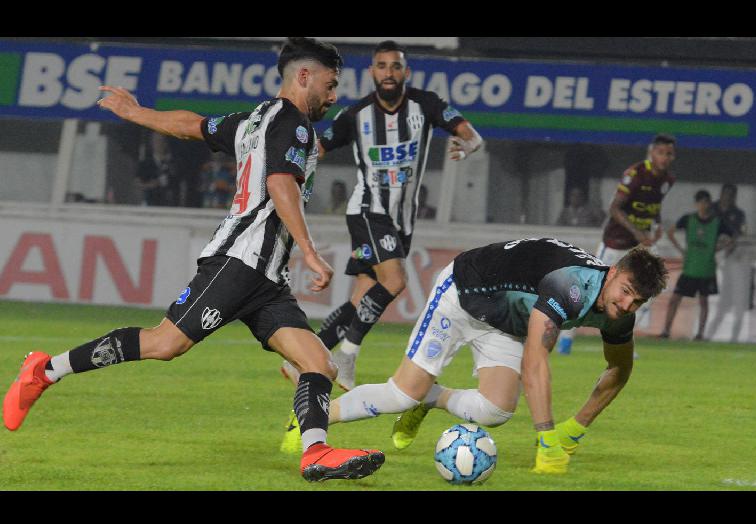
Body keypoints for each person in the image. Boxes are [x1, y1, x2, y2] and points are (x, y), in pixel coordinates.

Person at [2, 37, 384, 483]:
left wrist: (135, 112)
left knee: (319, 363)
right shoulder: (293, 124)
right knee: (165, 344)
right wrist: (313, 253)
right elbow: (281, 184)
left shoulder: (253, 120)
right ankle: (45, 370)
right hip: (238, 262)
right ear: (304, 76)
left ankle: (316, 453)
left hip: (266, 278)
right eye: (331, 84)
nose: (334, 96)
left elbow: (194, 126)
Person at [281, 237, 668, 475]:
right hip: (463, 294)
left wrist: (575, 429)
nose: (627, 304)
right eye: (626, 290)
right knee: (402, 393)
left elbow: (620, 368)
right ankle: (310, 417)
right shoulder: (572, 285)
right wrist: (546, 437)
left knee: (496, 411)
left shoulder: (620, 311)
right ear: (613, 271)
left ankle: (431, 399)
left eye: (638, 300)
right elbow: (536, 361)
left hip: (504, 321)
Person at [296, 40, 483, 391]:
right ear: (372, 72)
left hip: (402, 221)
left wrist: (469, 145)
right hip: (368, 210)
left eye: (395, 66)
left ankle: (304, 361)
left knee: (361, 297)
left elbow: (471, 136)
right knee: (396, 281)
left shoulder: (425, 105)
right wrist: (292, 176)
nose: (388, 73)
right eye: (382, 66)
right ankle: (348, 354)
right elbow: (316, 149)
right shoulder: (355, 115)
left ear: (405, 72)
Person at [557, 133, 676, 355]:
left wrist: (656, 224)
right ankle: (565, 337)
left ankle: (624, 341)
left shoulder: (668, 179)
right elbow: (615, 208)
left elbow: (654, 204)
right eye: (661, 152)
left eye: (669, 153)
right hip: (615, 241)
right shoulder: (636, 174)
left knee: (648, 290)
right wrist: (637, 231)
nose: (665, 157)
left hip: (640, 243)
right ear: (652, 152)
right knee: (592, 289)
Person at [659, 189, 734, 340]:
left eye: (705, 202)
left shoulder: (717, 222)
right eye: (700, 202)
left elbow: (732, 238)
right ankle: (666, 330)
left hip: (707, 268)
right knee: (675, 298)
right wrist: (681, 250)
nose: (703, 205)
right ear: (696, 204)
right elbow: (670, 232)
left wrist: (718, 249)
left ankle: (700, 334)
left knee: (703, 301)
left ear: (709, 204)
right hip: (690, 268)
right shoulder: (688, 219)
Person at [706, 184, 749, 342]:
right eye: (726, 194)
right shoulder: (711, 209)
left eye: (732, 195)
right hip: (710, 255)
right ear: (721, 194)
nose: (728, 197)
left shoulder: (738, 214)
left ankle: (735, 337)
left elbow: (742, 234)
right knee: (711, 298)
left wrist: (731, 243)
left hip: (731, 258)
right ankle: (706, 334)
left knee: (734, 299)